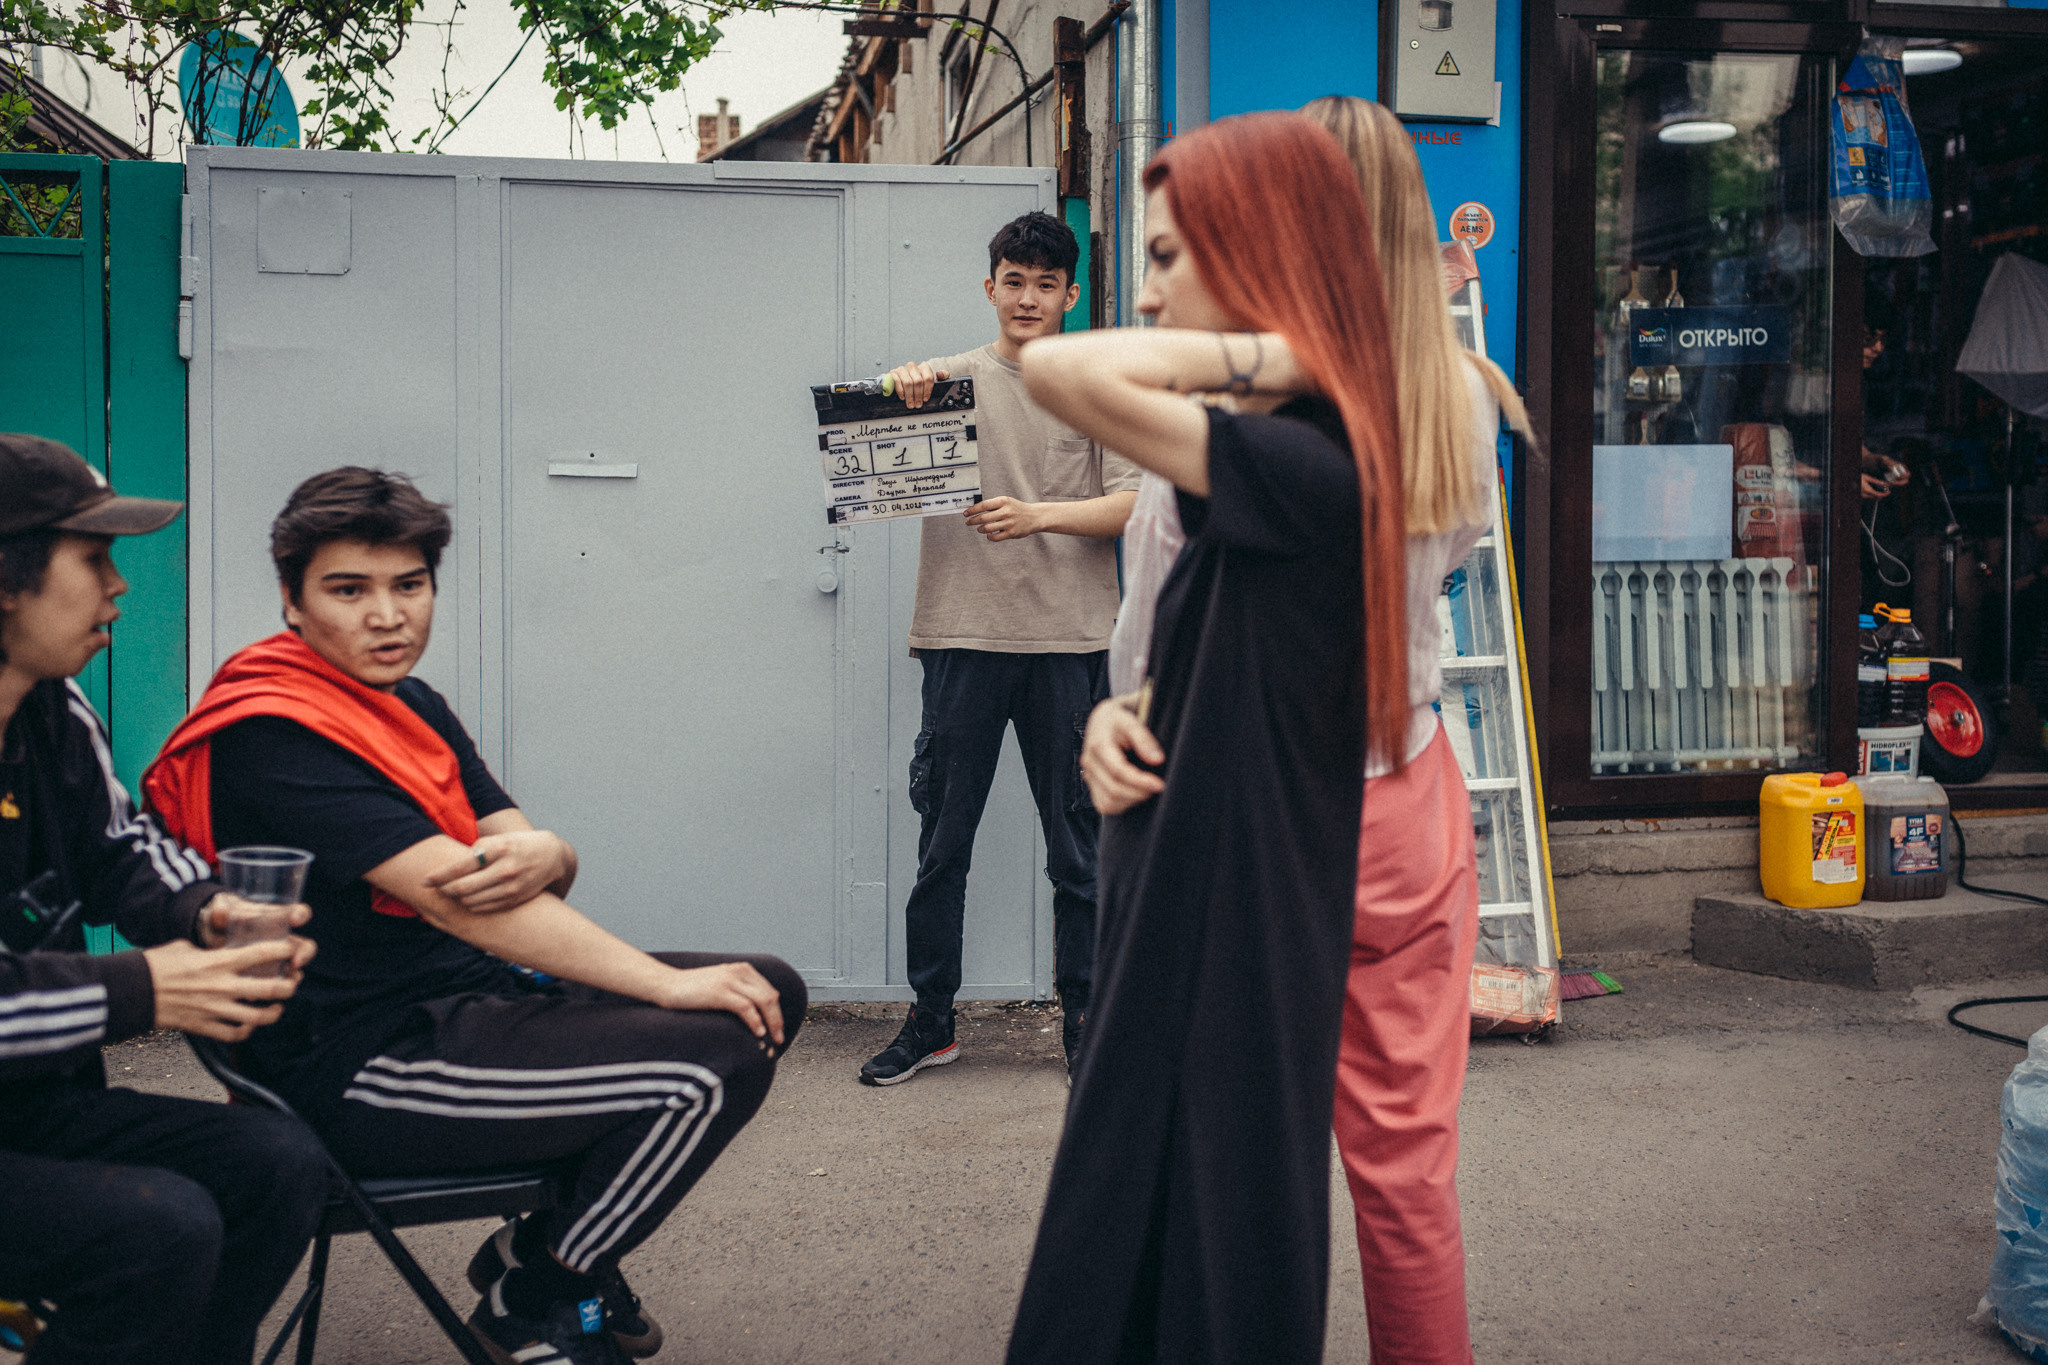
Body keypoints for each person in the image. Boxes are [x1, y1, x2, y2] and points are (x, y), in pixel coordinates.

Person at [143, 468, 807, 1365]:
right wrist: (661, 978)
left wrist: (553, 851)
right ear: (292, 603)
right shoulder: (276, 729)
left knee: (771, 988)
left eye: (409, 586)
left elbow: (520, 861)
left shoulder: (408, 703)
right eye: (349, 589)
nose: (388, 615)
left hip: (468, 1001)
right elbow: (462, 900)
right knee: (713, 1056)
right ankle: (541, 1292)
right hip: (357, 1060)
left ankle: (536, 1252)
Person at [1005, 112, 1406, 1364]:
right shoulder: (1280, 450)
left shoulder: (1310, 457)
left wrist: (1273, 348)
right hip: (1181, 861)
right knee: (1142, 1197)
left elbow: (1057, 371)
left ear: (1259, 259)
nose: (1149, 284)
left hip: (1234, 896)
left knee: (1215, 1211)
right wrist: (1123, 714)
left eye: (1175, 255)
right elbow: (1206, 640)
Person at [0, 432, 328, 1365]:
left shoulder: (52, 712)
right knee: (159, 1228)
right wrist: (144, 986)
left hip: (29, 1104)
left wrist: (206, 915)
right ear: (5, 578)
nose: (120, 585)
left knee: (277, 1162)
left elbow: (121, 850)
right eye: (94, 557)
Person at [1302, 93, 1535, 1365]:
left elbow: (1153, 644)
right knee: (1403, 1166)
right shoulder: (1460, 389)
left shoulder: (1240, 394)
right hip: (1409, 778)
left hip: (1269, 800)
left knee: (1241, 1153)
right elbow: (1454, 560)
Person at [863, 210, 1141, 1086]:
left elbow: (1134, 505)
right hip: (960, 635)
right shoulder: (939, 381)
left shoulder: (1101, 386)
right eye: (1012, 281)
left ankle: (1088, 1021)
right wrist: (893, 385)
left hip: (1070, 641)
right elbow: (863, 449)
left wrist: (1040, 515)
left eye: (1045, 284)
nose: (1027, 297)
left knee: (1080, 850)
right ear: (991, 288)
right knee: (943, 843)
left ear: (1071, 294)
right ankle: (931, 1020)